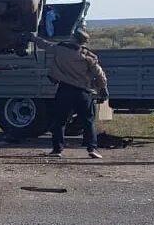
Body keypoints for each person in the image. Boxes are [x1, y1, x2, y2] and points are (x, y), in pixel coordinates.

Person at [31, 28, 109, 159]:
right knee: (88, 121)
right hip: (83, 93)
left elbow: (45, 45)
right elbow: (99, 74)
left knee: (59, 121)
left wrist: (32, 38)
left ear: (73, 37)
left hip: (64, 90)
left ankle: (57, 149)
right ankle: (92, 148)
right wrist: (103, 87)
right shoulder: (88, 55)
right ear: (83, 42)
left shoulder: (60, 49)